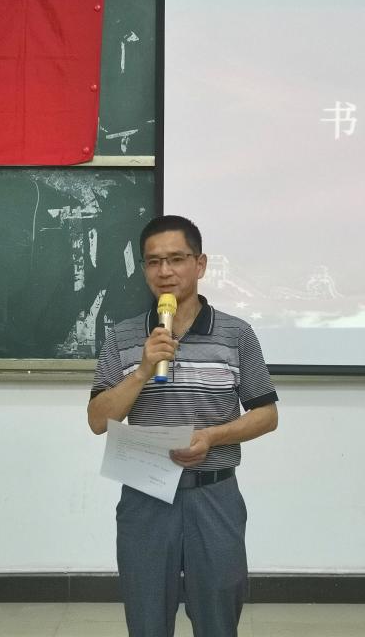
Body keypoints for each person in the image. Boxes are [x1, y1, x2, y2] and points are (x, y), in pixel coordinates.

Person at [88, 215, 279, 637]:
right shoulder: (122, 336)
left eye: (176, 259)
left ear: (200, 264)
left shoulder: (236, 334)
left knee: (218, 618)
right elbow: (99, 420)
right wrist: (143, 369)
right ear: (144, 269)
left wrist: (212, 436)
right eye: (154, 262)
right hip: (146, 496)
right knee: (146, 618)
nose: (165, 271)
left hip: (214, 494)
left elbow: (267, 415)